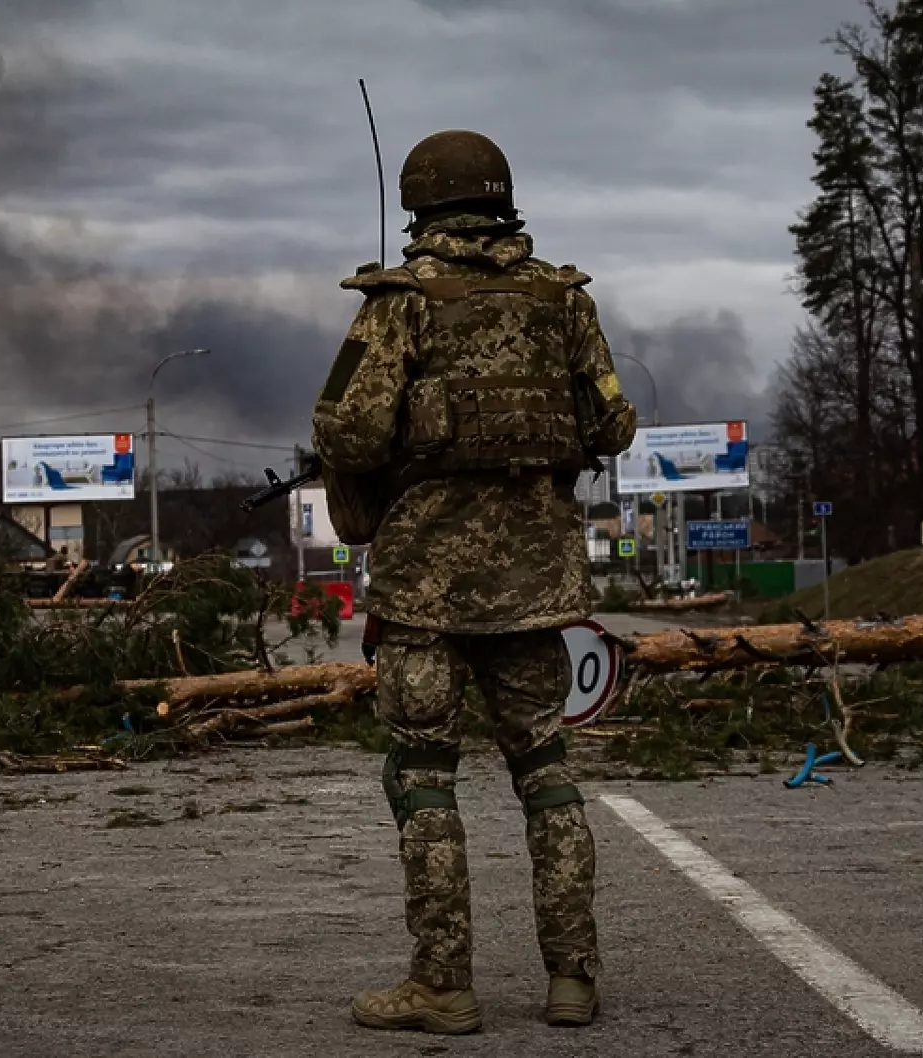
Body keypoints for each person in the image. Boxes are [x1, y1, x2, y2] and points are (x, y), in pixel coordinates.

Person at [310, 128, 637, 1035]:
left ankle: (443, 984)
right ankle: (573, 977)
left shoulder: (400, 303)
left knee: (423, 776)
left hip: (424, 589)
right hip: (537, 583)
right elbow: (613, 424)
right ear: (502, 201)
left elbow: (347, 431)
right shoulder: (562, 301)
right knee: (546, 771)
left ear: (420, 207)